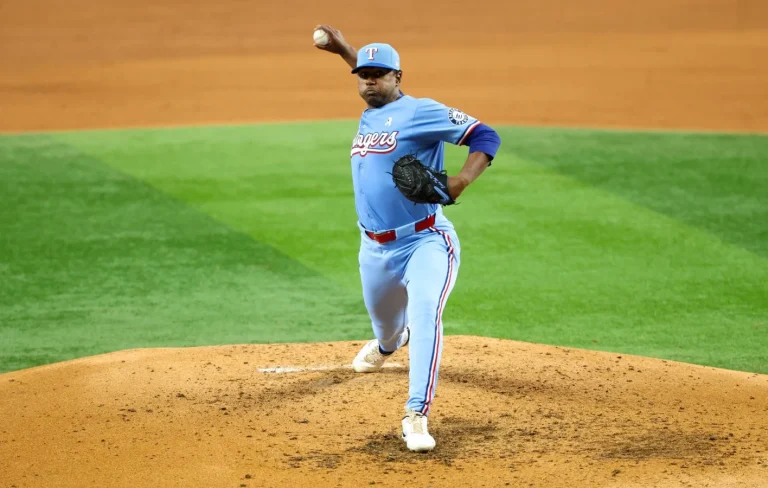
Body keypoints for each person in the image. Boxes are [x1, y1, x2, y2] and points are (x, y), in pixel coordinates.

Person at [313, 25, 501, 452]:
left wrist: (460, 182)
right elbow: (371, 82)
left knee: (424, 315)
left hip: (425, 240)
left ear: (399, 77)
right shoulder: (371, 109)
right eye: (364, 73)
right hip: (373, 247)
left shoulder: (421, 111)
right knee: (386, 326)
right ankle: (387, 344)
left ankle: (416, 413)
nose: (370, 79)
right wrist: (345, 49)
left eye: (380, 73)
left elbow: (485, 135)